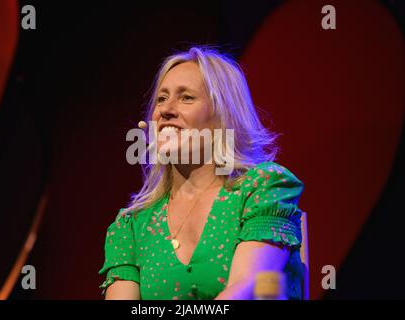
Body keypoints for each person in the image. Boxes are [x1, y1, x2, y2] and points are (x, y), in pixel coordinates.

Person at [99, 46, 305, 300]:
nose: (166, 110)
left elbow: (249, 290)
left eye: (186, 98)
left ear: (223, 115)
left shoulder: (263, 188)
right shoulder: (131, 225)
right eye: (161, 99)